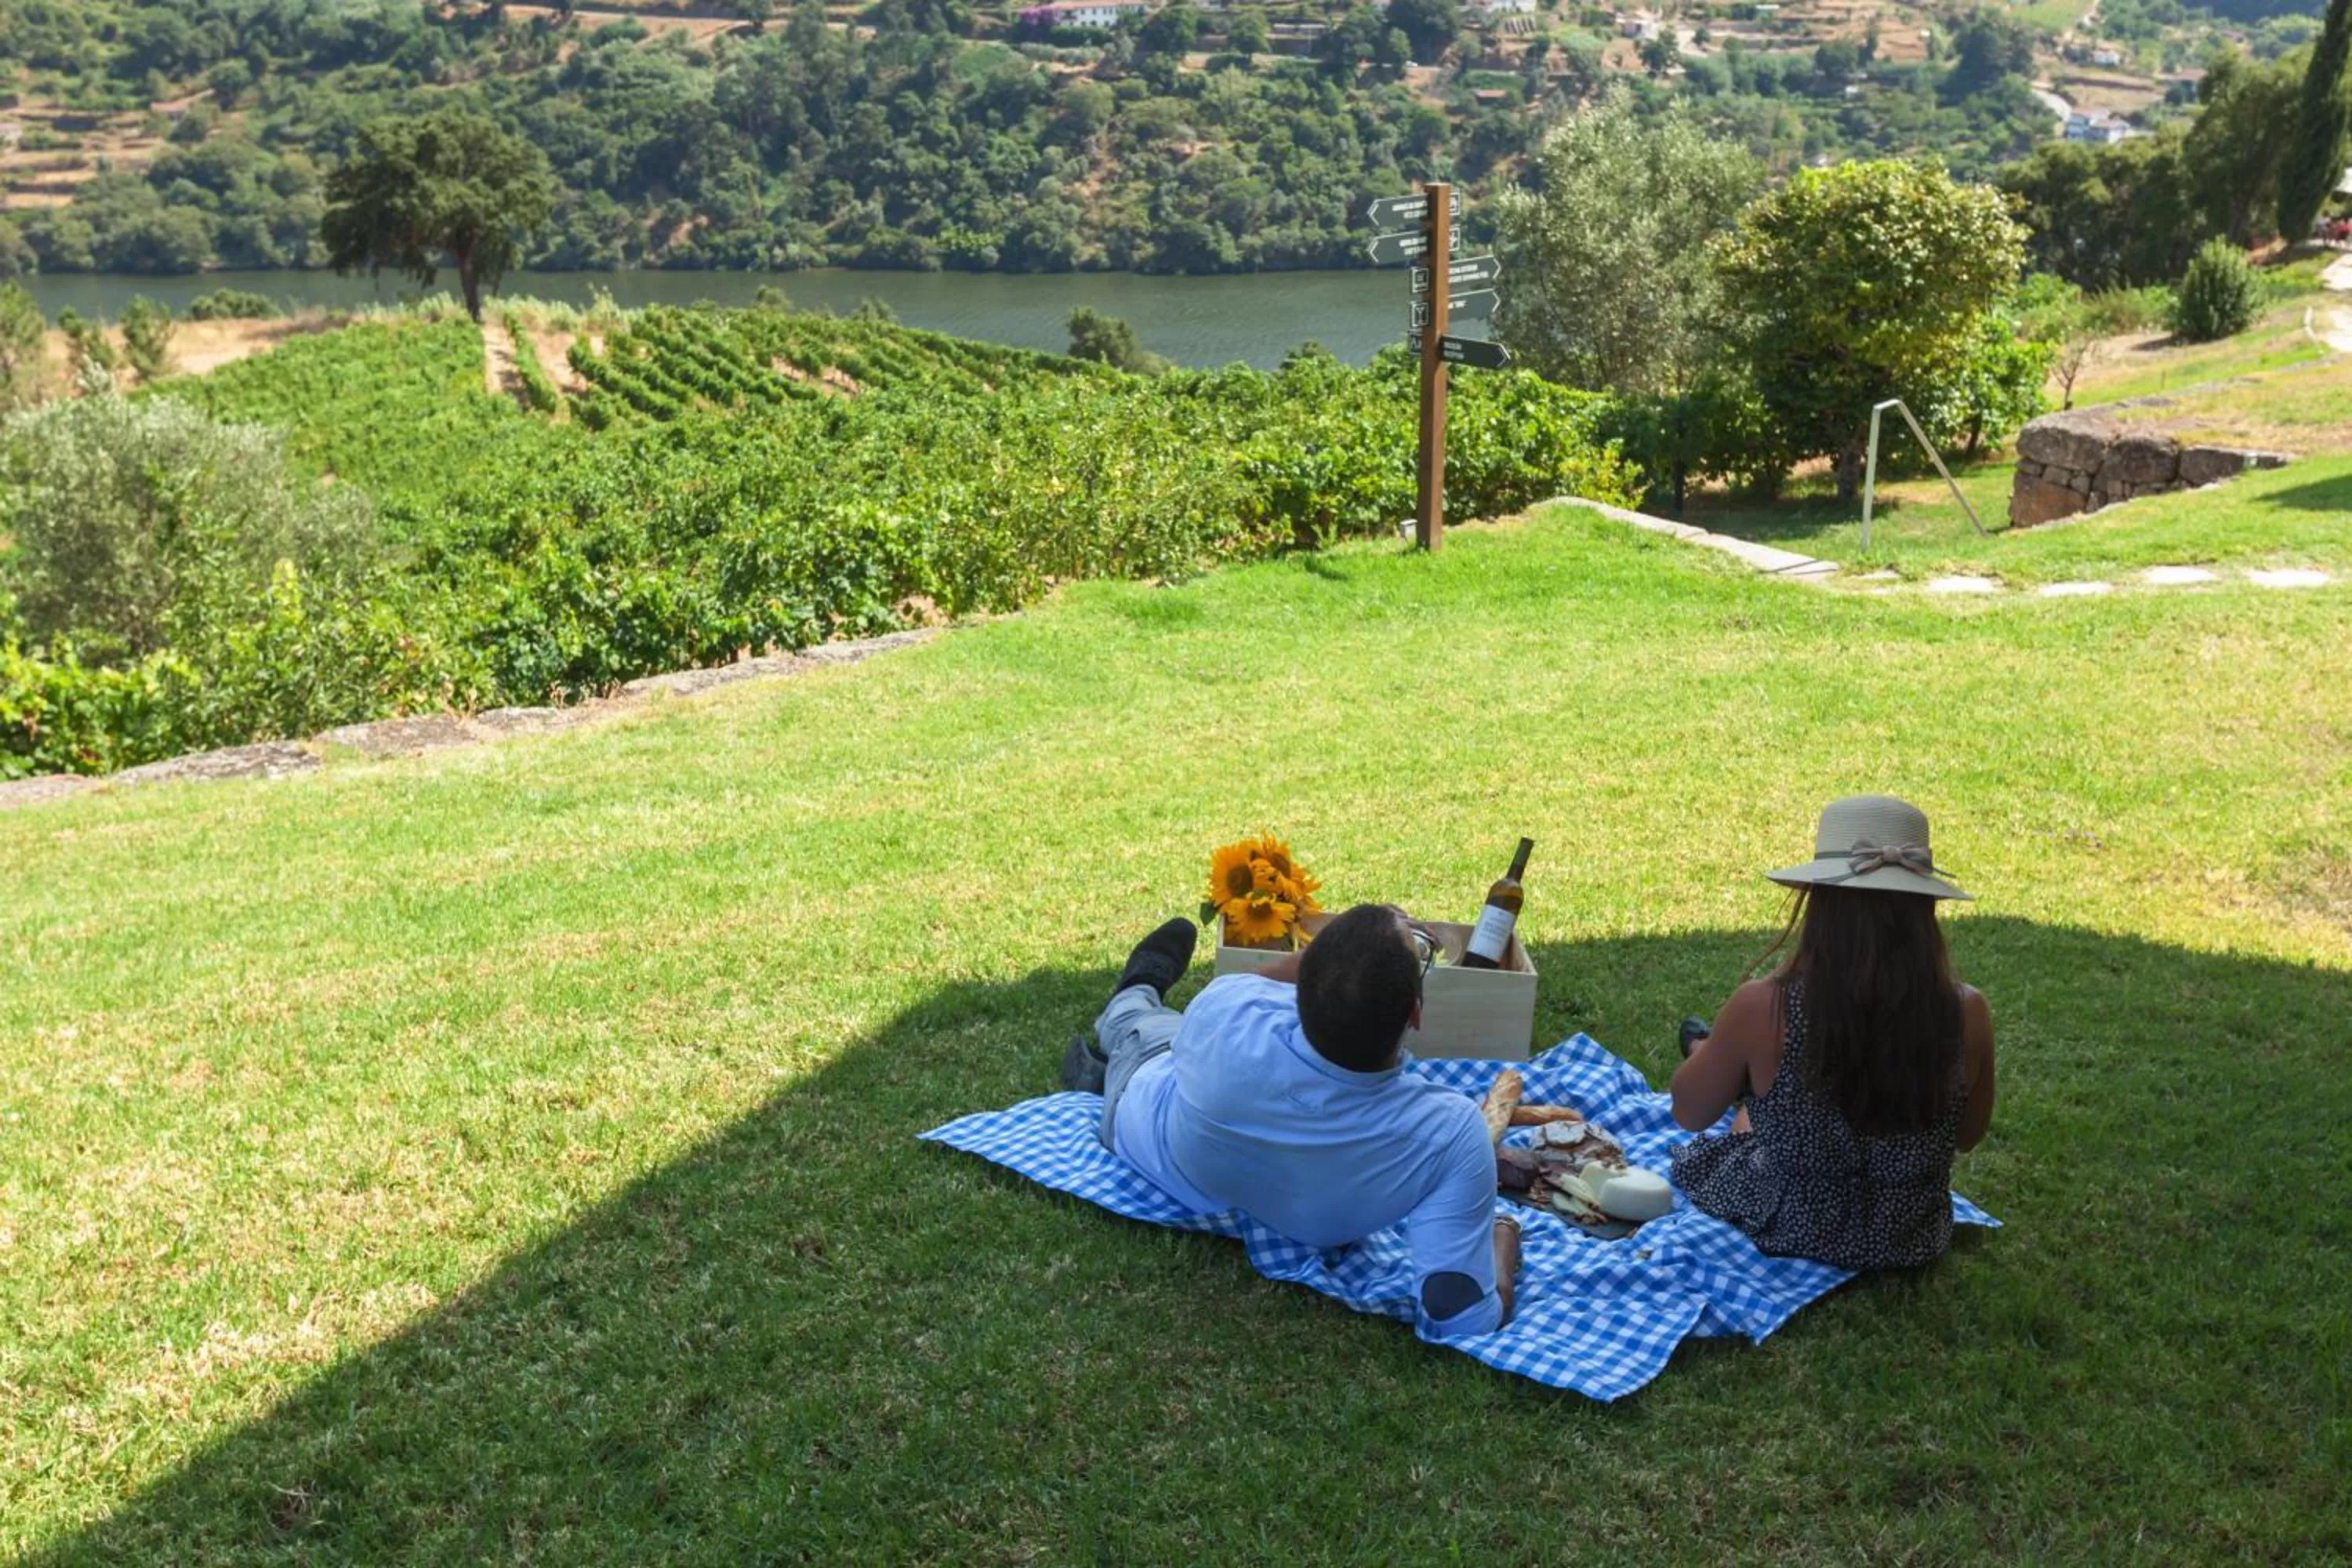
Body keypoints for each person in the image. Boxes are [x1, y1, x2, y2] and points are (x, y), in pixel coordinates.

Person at [1061, 904, 1522, 1340]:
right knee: (1142, 1025)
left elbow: (1256, 988)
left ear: (1301, 979)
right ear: (1415, 1015)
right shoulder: (1451, 1133)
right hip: (1163, 1104)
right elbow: (1458, 1315)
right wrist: (1503, 1238)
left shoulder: (1232, 1011)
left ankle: (1115, 1039)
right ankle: (1131, 996)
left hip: (1152, 1135)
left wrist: (1341, 950)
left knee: (1158, 1030)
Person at [1668, 795, 1997, 1272]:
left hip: (1792, 1222)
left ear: (1818, 902)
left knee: (1758, 1115)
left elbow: (1689, 1111)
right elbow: (1968, 1134)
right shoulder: (1968, 1011)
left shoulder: (1766, 1005)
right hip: (1910, 1235)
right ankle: (1732, 1067)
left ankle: (1717, 1055)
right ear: (1925, 911)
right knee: (1774, 1108)